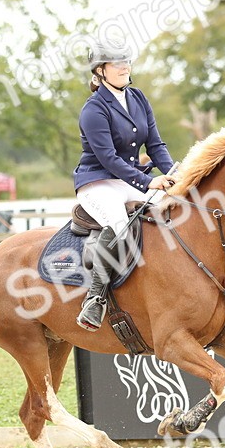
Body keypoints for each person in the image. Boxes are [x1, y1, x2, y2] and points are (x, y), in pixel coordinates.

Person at [72, 40, 176, 331]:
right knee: (119, 223)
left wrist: (175, 176)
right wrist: (148, 181)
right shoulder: (93, 110)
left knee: (171, 211)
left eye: (126, 62)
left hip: (128, 179)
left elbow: (155, 144)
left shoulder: (138, 98)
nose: (124, 68)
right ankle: (95, 299)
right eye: (117, 63)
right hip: (98, 181)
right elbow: (108, 158)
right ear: (100, 70)